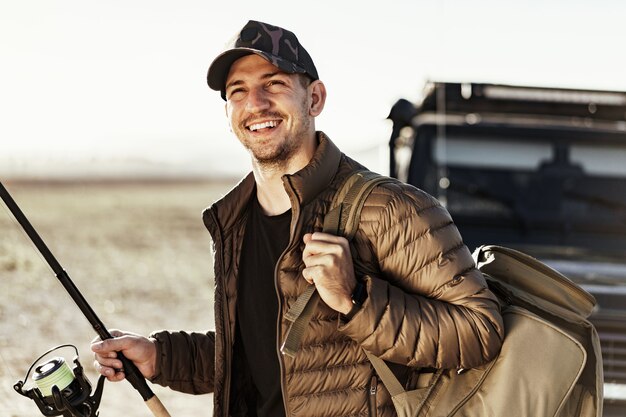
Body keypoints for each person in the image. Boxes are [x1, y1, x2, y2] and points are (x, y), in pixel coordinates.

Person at [92, 20, 504, 417]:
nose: (255, 103)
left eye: (274, 84)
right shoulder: (234, 221)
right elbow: (262, 352)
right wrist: (160, 357)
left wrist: (355, 300)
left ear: (315, 99)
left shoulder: (393, 208)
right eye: (238, 91)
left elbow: (479, 331)